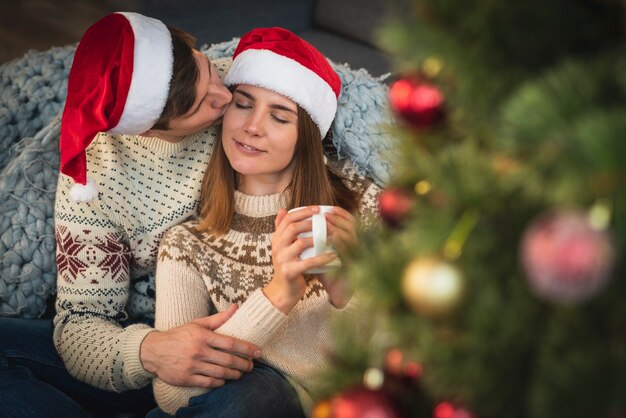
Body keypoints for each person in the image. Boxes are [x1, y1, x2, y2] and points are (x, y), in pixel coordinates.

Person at [0, 12, 261, 417]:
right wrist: (151, 352)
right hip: (144, 342)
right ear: (148, 129)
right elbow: (81, 323)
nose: (224, 98)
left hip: (238, 342)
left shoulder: (245, 84)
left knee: (238, 401)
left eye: (208, 69)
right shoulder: (93, 182)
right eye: (200, 106)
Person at [148, 27, 382, 417]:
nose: (252, 126)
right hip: (227, 403)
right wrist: (279, 294)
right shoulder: (188, 243)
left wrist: (348, 289)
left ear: (304, 136)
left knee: (252, 396)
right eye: (242, 104)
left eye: (279, 116)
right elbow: (172, 397)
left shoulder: (358, 202)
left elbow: (416, 349)